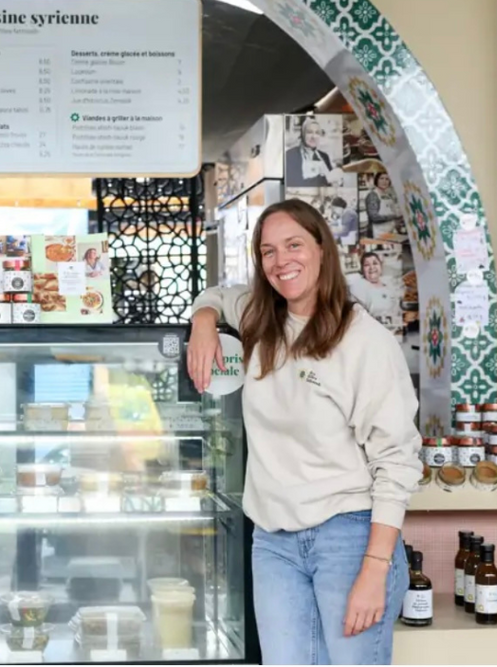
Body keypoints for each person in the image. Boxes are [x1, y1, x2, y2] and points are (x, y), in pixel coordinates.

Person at [187, 199, 420, 665]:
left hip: (349, 538)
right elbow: (215, 295)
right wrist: (203, 321)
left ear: (321, 249)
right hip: (273, 542)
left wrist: (375, 569)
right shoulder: (258, 317)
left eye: (293, 245)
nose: (281, 261)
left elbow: (396, 461)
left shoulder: (364, 341)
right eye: (268, 251)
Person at [347, 251, 401, 330]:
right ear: (362, 269)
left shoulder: (390, 285)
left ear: (381, 266)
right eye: (367, 265)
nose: (372, 267)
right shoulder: (358, 288)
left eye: (375, 263)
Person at [285, 117, 343, 187]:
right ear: (303, 134)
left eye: (317, 133)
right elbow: (294, 184)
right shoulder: (291, 155)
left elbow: (332, 181)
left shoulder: (324, 156)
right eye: (309, 132)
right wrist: (325, 179)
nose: (314, 136)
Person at [364, 172, 403, 237]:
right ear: (376, 180)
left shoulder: (388, 195)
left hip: (389, 232)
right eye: (381, 178)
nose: (384, 181)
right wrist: (393, 216)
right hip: (377, 233)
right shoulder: (373, 195)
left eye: (387, 179)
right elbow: (374, 217)